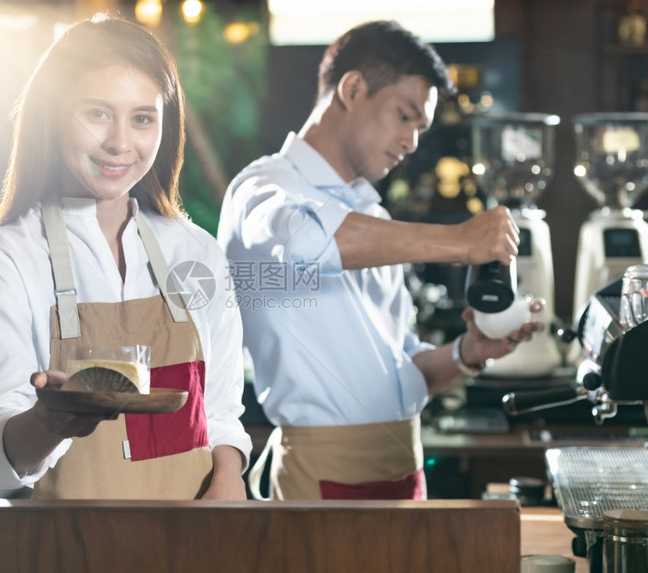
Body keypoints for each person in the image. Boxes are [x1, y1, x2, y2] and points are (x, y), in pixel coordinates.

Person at [216, 20, 544, 500]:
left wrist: (468, 352)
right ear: (352, 88)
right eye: (404, 115)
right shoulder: (263, 188)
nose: (412, 142)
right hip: (323, 475)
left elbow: (401, 369)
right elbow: (309, 242)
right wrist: (460, 241)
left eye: (421, 126)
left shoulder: (370, 211)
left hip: (405, 469)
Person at [0, 14, 251, 500]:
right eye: (97, 113)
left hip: (200, 545)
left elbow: (220, 416)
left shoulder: (196, 251)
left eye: (142, 118)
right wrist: (50, 421)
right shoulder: (2, 262)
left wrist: (228, 480)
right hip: (72, 552)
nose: (120, 142)